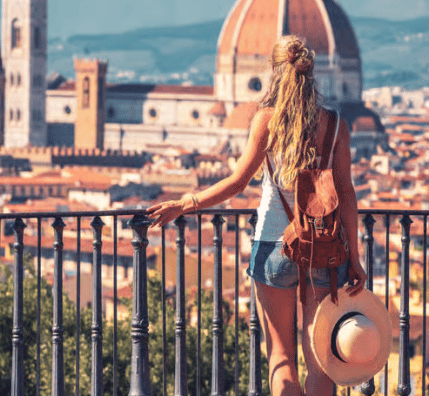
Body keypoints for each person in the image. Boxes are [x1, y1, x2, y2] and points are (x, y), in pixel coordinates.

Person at [147, 35, 367, 396]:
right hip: (324, 250)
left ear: (275, 72)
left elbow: (237, 182)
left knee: (280, 356)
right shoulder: (336, 124)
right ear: (312, 72)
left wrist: (184, 205)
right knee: (320, 359)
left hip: (273, 247)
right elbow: (345, 194)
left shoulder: (267, 120)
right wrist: (354, 258)